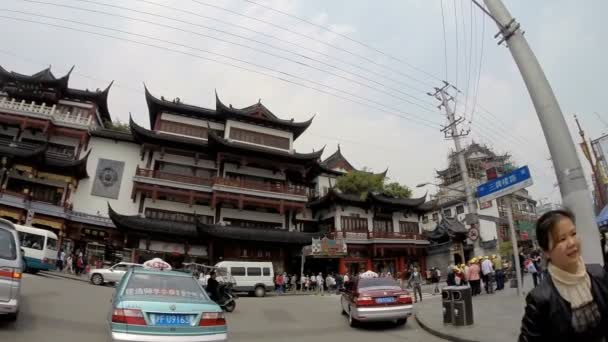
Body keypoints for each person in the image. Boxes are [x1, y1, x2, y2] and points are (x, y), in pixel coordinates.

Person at [519, 209, 608, 341]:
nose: (572, 242)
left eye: (573, 233)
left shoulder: (598, 273)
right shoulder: (539, 299)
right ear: (546, 251)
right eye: (562, 239)